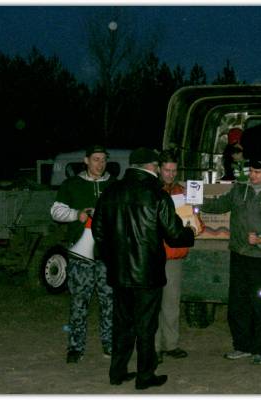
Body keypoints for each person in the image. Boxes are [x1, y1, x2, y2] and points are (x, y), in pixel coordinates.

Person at [91, 147, 196, 390]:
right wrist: (190, 232)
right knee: (146, 326)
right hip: (147, 273)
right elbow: (174, 235)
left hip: (120, 272)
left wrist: (112, 259)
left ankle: (117, 372)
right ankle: (145, 375)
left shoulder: (111, 191)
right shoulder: (157, 194)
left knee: (122, 325)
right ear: (152, 166)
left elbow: (98, 231)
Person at [200, 158, 261, 365]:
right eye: (251, 171)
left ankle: (260, 349)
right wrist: (195, 201)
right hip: (239, 255)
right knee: (238, 304)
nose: (252, 175)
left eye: (258, 172)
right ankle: (242, 346)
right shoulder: (240, 190)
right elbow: (218, 205)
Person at [50, 144, 115, 364]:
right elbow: (56, 211)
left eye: (103, 159)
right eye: (96, 159)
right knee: (79, 301)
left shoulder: (113, 184)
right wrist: (76, 214)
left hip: (107, 254)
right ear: (86, 160)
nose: (100, 164)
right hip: (80, 255)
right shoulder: (72, 184)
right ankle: (76, 347)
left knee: (110, 302)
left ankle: (110, 344)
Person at [155, 149, 190, 363]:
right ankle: (154, 347)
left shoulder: (181, 192)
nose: (170, 174)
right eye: (167, 170)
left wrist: (194, 220)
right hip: (153, 255)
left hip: (174, 255)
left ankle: (171, 344)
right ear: (159, 169)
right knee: (154, 303)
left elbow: (192, 221)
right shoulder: (151, 190)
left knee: (171, 302)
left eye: (174, 170)